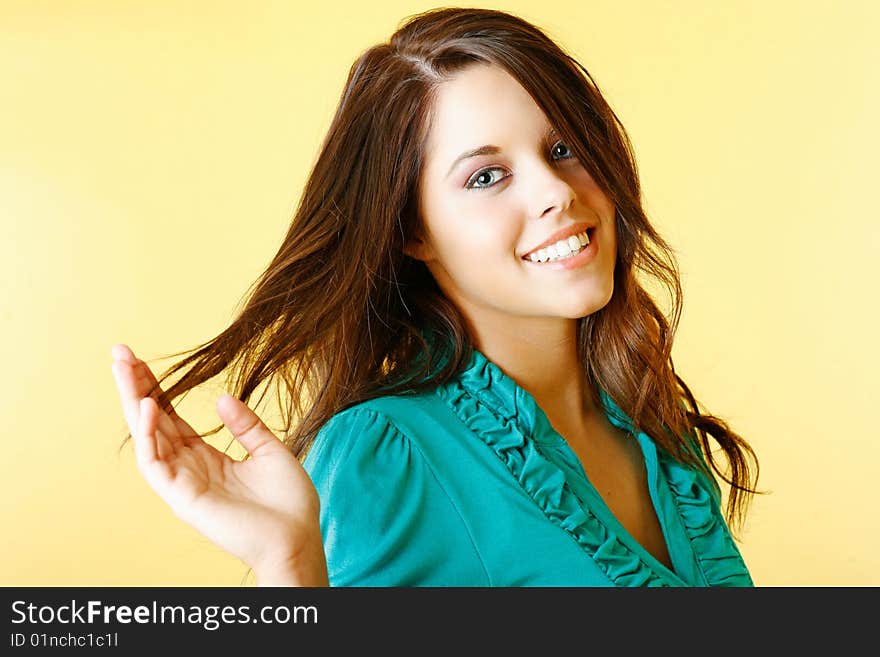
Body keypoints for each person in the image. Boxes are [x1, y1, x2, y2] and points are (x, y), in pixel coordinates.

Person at [111, 7, 760, 587]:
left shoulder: (652, 419)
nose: (556, 192)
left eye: (562, 148)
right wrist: (290, 564)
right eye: (486, 175)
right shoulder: (387, 452)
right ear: (413, 231)